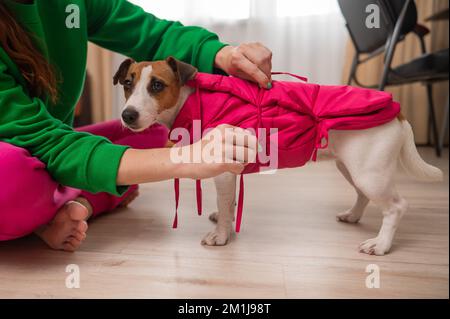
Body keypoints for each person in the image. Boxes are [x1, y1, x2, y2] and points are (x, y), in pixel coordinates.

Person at [0, 0, 273, 251]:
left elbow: (149, 33)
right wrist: (184, 158)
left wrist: (222, 54)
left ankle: (62, 200)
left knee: (150, 136)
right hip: (15, 154)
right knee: (11, 173)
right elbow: (36, 138)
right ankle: (68, 206)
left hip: (53, 144)